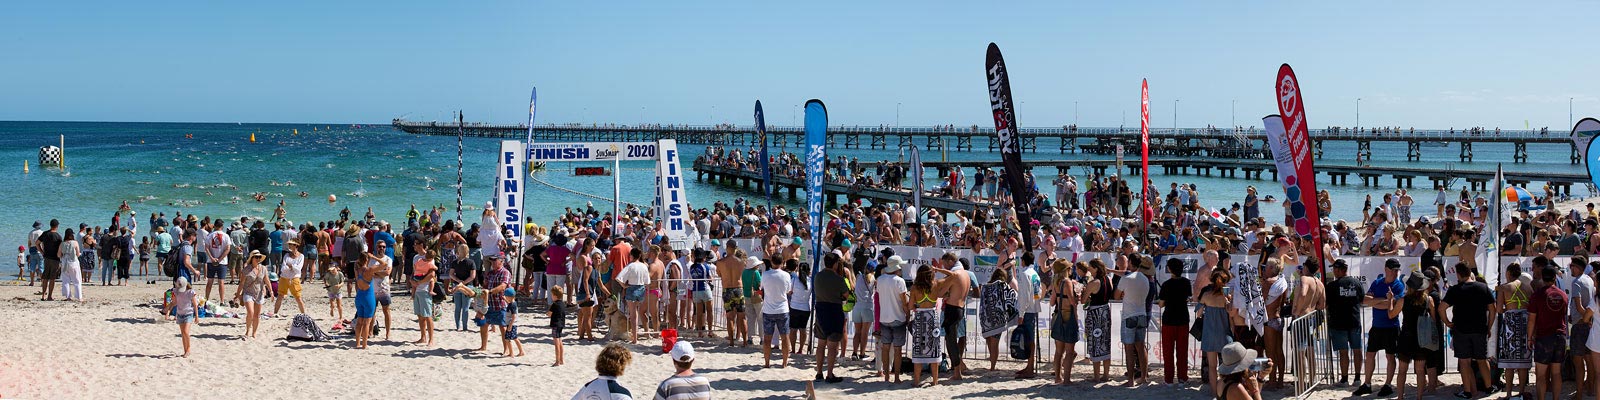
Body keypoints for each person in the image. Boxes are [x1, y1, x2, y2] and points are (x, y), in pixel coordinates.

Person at [1439, 262, 1494, 398]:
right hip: (1480, 329)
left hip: (1461, 330)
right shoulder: (1483, 287)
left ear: (1458, 274)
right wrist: (1489, 326)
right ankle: (1489, 388)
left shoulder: (1455, 290)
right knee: (1482, 359)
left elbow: (1441, 308)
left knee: (1464, 361)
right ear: (1470, 273)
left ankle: (1468, 391)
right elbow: (1492, 309)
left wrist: (1448, 323)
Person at [1356, 258, 1405, 397]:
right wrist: (1383, 301)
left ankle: (1388, 384)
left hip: (1391, 326)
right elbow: (1365, 300)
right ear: (1386, 269)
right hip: (1377, 326)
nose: (1395, 273)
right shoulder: (1377, 283)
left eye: (1397, 270)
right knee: (1370, 355)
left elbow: (1393, 304)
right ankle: (1367, 384)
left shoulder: (1398, 285)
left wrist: (1376, 302)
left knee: (1390, 356)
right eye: (1393, 270)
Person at [1392, 273, 1436, 400]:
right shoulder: (1429, 300)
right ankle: (1419, 397)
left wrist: (1390, 301)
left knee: (1402, 371)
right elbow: (1433, 319)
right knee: (1420, 371)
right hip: (1422, 339)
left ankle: (1400, 397)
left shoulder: (1403, 300)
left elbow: (1391, 315)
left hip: (1406, 337)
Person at [1529, 264, 1569, 400]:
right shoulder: (1563, 295)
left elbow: (1532, 320)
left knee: (1540, 375)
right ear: (1555, 277)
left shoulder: (1537, 295)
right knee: (1556, 373)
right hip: (1560, 336)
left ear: (1542, 277)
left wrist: (1529, 337)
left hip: (1544, 337)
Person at [1115, 256, 1154, 386]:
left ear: (1130, 263)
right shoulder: (1146, 279)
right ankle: (1144, 377)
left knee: (1129, 349)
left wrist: (1124, 295)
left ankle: (1131, 380)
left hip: (1129, 315)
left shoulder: (1126, 278)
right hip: (1141, 314)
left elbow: (1116, 296)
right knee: (1141, 348)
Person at [1326, 259, 1366, 387]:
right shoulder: (1356, 283)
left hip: (1338, 323)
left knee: (1344, 352)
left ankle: (1344, 379)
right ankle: (1358, 378)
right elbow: (1361, 300)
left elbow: (1326, 303)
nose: (1333, 271)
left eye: (1334, 269)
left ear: (1338, 270)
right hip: (1354, 321)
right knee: (1356, 350)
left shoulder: (1332, 286)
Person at [811, 252, 850, 383]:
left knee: (821, 344)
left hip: (821, 310)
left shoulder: (817, 276)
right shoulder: (838, 279)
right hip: (834, 310)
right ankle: (830, 374)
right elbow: (846, 295)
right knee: (832, 346)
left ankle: (819, 372)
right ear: (835, 264)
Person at [1498, 262, 1534, 398]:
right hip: (1525, 323)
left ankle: (1508, 393)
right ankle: (1521, 392)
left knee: (1509, 363)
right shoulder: (1529, 288)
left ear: (1508, 273)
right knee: (1523, 363)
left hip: (1510, 324)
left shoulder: (1504, 288)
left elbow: (1499, 309)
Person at [1157, 258, 1192, 385]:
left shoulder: (1166, 285)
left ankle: (1169, 379)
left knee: (1168, 352)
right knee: (1182, 351)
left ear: (1170, 269)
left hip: (1169, 320)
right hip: (1183, 318)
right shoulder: (1186, 283)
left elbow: (1161, 304)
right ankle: (1183, 377)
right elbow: (1188, 298)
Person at [877, 255, 911, 383]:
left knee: (885, 348)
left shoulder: (880, 279)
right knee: (897, 349)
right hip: (898, 318)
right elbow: (904, 302)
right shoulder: (899, 281)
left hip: (884, 318)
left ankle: (886, 376)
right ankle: (896, 377)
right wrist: (908, 315)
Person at [1201, 266, 1235, 396]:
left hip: (1209, 333)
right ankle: (1225, 392)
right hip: (1224, 333)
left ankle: (1215, 392)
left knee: (1212, 366)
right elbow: (1230, 313)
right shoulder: (1226, 296)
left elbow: (1198, 313)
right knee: (1227, 366)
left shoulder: (1206, 295)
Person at [908, 265, 943, 386]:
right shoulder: (936, 284)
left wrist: (918, 306)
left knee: (919, 349)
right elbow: (952, 277)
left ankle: (917, 381)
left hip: (920, 318)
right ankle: (935, 381)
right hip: (932, 317)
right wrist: (939, 270)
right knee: (934, 349)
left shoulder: (914, 288)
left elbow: (910, 307)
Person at [1014, 252, 1045, 379]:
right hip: (1033, 308)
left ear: (1023, 261)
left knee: (1029, 340)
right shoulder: (1035, 274)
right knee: (1030, 339)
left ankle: (1030, 368)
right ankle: (1029, 366)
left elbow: (1023, 296)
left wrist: (1021, 314)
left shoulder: (1025, 274)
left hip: (1027, 310)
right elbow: (1039, 291)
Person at [1569, 256, 1596, 400]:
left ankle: (1579, 394)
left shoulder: (1577, 282)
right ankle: (1590, 389)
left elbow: (1579, 307)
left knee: (1578, 363)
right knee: (1589, 361)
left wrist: (1585, 318)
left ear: (1577, 267)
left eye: (1571, 266)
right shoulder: (1590, 280)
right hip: (1588, 324)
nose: (1570, 269)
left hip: (1580, 325)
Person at [759, 257, 793, 368]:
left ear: (772, 262)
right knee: (785, 337)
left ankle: (767, 362)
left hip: (768, 309)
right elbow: (788, 291)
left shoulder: (765, 275)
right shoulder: (786, 275)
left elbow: (761, 288)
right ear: (782, 262)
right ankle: (784, 362)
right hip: (782, 309)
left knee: (767, 339)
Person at [715, 248, 747, 347]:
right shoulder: (741, 263)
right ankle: (745, 341)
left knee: (730, 317)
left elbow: (719, 274)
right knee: (742, 317)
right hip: (738, 289)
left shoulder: (723, 263)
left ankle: (732, 342)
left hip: (728, 289)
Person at [618, 248, 652, 344]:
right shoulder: (644, 266)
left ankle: (635, 338)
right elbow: (647, 282)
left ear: (632, 255)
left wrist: (624, 286)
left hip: (632, 288)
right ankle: (636, 335)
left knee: (633, 315)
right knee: (636, 313)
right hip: (641, 289)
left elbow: (619, 277)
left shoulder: (630, 266)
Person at [482, 254, 512, 354]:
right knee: (484, 324)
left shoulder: (505, 272)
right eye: (492, 261)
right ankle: (483, 346)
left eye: (495, 261)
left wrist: (489, 292)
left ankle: (506, 349)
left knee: (502, 327)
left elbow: (503, 286)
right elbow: (485, 285)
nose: (493, 263)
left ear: (501, 261)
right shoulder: (490, 273)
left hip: (501, 303)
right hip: (489, 303)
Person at [164, 277, 199, 358]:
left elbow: (195, 305)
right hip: (180, 314)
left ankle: (189, 349)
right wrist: (168, 313)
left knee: (186, 332)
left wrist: (197, 316)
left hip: (188, 314)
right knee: (183, 334)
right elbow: (173, 303)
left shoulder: (190, 292)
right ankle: (185, 350)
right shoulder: (176, 291)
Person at [236, 251, 269, 338]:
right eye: (256, 257)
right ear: (252, 258)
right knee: (251, 312)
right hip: (248, 292)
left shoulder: (263, 269)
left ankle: (254, 332)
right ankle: (247, 331)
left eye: (259, 257)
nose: (258, 259)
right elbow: (242, 283)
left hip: (259, 293)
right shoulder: (246, 270)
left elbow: (266, 280)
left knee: (257, 315)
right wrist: (238, 294)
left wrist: (271, 291)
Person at [273, 241, 308, 316]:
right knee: (280, 296)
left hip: (294, 279)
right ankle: (275, 313)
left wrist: (291, 266)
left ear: (296, 246)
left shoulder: (301, 256)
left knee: (298, 297)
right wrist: (292, 267)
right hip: (284, 278)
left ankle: (304, 314)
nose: (289, 245)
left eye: (290, 244)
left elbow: (299, 269)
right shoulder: (286, 255)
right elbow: (283, 268)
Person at [411, 248, 437, 346]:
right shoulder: (419, 260)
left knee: (427, 316)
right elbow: (414, 273)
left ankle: (431, 339)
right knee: (420, 316)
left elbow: (432, 275)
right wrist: (413, 283)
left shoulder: (430, 262)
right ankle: (423, 337)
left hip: (425, 291)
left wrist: (419, 282)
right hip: (418, 290)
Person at [38, 220, 63, 301]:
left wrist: (42, 252)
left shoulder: (45, 233)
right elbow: (60, 249)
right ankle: (49, 296)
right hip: (55, 259)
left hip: (46, 257)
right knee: (52, 278)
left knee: (45, 277)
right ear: (57, 226)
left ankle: (43, 295)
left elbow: (37, 243)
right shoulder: (58, 236)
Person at [58, 229, 83, 302]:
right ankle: (79, 297)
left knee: (66, 280)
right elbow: (78, 254)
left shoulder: (62, 243)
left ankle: (68, 296)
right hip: (73, 263)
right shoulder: (75, 243)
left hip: (65, 263)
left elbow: (59, 254)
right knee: (77, 280)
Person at [502, 288, 524, 357]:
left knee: (507, 339)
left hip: (511, 324)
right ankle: (521, 351)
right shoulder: (512, 303)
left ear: (510, 297)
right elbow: (509, 303)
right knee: (514, 338)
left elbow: (514, 316)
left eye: (506, 296)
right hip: (512, 324)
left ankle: (512, 353)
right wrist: (504, 299)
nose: (505, 297)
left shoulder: (512, 305)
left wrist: (510, 326)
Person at [551, 285, 568, 366]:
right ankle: (561, 360)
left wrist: (547, 313)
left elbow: (549, 313)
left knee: (556, 342)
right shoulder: (562, 304)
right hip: (561, 324)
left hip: (555, 324)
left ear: (555, 295)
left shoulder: (554, 304)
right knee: (560, 341)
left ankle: (557, 361)